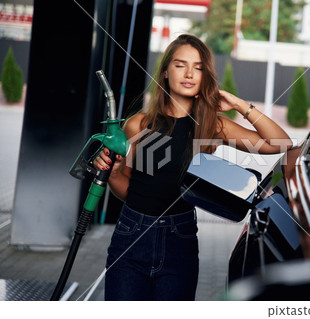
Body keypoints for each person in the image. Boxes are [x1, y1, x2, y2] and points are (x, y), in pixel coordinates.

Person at [93, 34, 293, 301]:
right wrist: (113, 173)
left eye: (198, 67)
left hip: (180, 239)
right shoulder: (138, 125)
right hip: (131, 235)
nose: (189, 73)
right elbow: (129, 189)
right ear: (165, 72)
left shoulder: (213, 127)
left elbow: (279, 143)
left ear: (205, 75)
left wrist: (238, 104)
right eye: (179, 65)